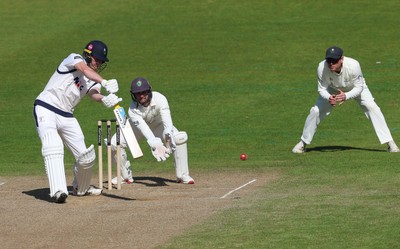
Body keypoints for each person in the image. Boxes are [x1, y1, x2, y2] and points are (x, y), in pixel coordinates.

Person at [33, 40, 123, 203]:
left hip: (66, 115)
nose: (100, 63)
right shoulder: (73, 58)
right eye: (97, 59)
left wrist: (105, 99)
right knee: (53, 144)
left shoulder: (93, 79)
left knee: (86, 156)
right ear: (88, 56)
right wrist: (105, 82)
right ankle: (58, 191)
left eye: (102, 61)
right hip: (46, 107)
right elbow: (84, 70)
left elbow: (94, 93)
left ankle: (81, 189)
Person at [292, 46, 400, 153]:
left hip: (354, 87)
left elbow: (359, 87)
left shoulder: (353, 65)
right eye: (328, 60)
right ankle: (302, 143)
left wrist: (346, 96)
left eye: (334, 61)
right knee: (315, 111)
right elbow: (321, 89)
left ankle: (390, 143)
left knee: (372, 107)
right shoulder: (321, 67)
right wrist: (329, 97)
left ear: (341, 59)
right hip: (332, 89)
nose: (331, 63)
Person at [110, 77, 195, 185]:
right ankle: (124, 175)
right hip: (138, 128)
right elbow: (144, 129)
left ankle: (182, 175)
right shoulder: (132, 110)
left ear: (149, 91)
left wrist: (168, 135)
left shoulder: (160, 98)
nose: (141, 96)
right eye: (138, 93)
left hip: (159, 125)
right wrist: (155, 143)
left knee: (178, 138)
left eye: (144, 92)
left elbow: (167, 122)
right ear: (133, 94)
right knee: (114, 142)